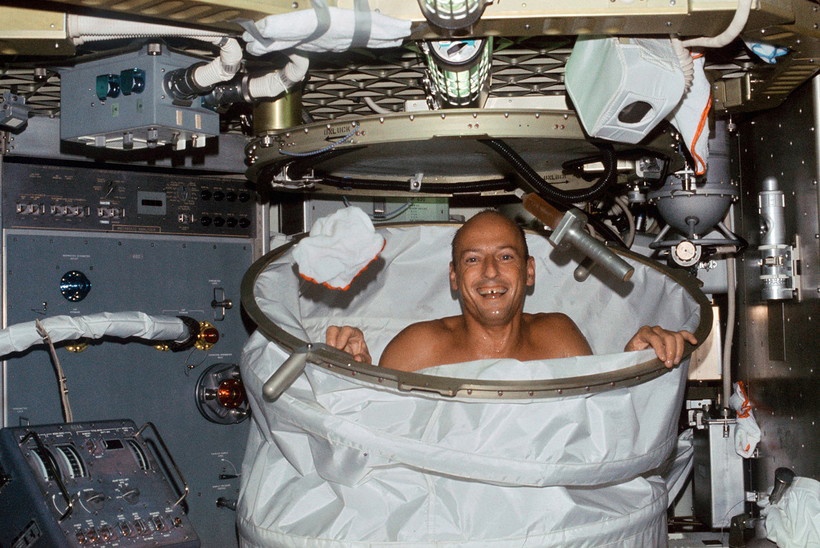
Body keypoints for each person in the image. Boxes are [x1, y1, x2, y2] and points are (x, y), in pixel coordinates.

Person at [326, 210, 697, 372]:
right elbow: (378, 446)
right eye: (473, 260)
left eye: (505, 256)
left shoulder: (558, 338)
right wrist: (354, 375)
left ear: (529, 271)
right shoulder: (416, 350)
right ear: (454, 277)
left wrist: (634, 362)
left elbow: (596, 427)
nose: (490, 272)